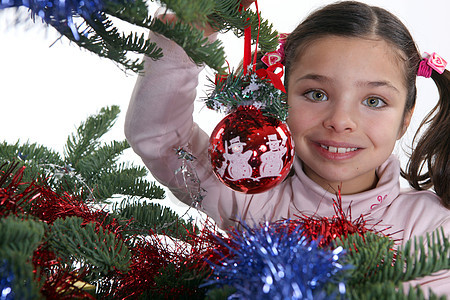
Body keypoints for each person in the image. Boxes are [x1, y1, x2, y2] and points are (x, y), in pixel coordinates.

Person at [124, 0, 450, 295]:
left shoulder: (433, 228)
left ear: (406, 118)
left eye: (374, 101)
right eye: (316, 94)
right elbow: (161, 138)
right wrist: (185, 33)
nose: (340, 120)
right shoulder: (249, 192)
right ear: (283, 99)